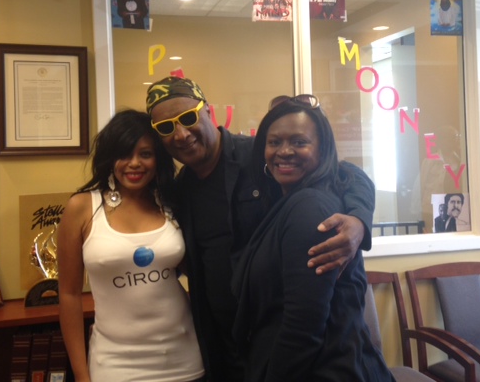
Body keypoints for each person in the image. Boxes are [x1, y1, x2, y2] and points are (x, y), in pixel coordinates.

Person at [146, 76, 375, 381]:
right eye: (165, 127)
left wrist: (359, 221)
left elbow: (344, 172)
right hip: (226, 345)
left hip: (281, 344)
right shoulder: (181, 189)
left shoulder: (261, 156)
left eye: (188, 118)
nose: (181, 134)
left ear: (207, 111)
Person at [231, 94, 393, 381]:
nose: (284, 151)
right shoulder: (283, 196)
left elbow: (302, 328)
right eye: (274, 141)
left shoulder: (309, 208)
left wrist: (360, 221)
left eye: (299, 142)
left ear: (323, 149)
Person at [57, 109, 204, 382]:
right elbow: (69, 295)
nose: (134, 163)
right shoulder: (82, 208)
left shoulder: (172, 202)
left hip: (183, 358)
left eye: (145, 154)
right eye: (124, 154)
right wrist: (81, 374)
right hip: (114, 363)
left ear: (157, 158)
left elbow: (200, 269)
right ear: (110, 157)